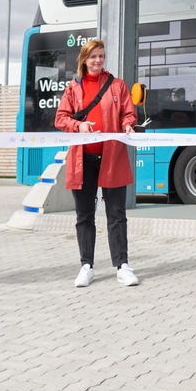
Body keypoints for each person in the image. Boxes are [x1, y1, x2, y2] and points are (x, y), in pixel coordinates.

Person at [55, 38, 139, 288]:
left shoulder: (117, 85)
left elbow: (128, 113)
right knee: (84, 215)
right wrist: (77, 125)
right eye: (93, 56)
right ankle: (86, 266)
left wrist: (127, 124)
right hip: (83, 160)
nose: (98, 60)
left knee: (117, 215)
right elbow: (60, 118)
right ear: (84, 59)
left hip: (112, 157)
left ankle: (122, 266)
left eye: (101, 56)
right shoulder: (73, 87)